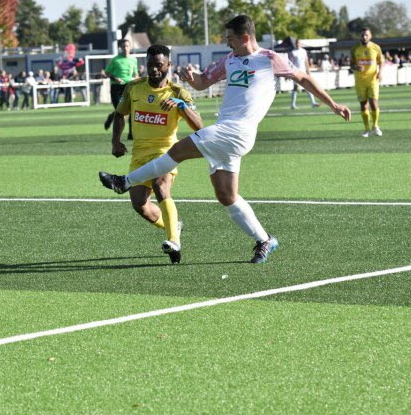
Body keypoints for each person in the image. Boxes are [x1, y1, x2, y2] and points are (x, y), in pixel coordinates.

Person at [99, 15, 351, 263]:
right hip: (226, 130)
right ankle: (265, 239)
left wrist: (333, 105)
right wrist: (191, 77)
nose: (227, 42)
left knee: (177, 151)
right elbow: (202, 82)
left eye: (230, 38)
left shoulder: (269, 59)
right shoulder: (229, 60)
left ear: (245, 37)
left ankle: (125, 181)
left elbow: (303, 78)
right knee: (226, 195)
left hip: (239, 130)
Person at [108, 44, 203, 264]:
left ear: (169, 64)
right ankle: (174, 226)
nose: (153, 69)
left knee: (161, 185)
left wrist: (182, 106)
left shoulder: (178, 93)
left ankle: (174, 241)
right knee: (140, 205)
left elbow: (199, 126)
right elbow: (120, 114)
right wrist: (115, 141)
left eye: (159, 65)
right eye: (150, 64)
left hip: (166, 151)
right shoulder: (134, 87)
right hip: (139, 153)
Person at [103, 38, 141, 138]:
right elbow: (107, 72)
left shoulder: (133, 60)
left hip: (128, 87)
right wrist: (115, 78)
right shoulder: (115, 60)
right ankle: (112, 117)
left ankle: (131, 134)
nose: (125, 48)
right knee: (120, 111)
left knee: (132, 109)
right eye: (123, 46)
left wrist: (136, 79)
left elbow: (135, 74)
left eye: (127, 46)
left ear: (130, 47)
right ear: (120, 47)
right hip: (116, 87)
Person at [351, 28, 384, 138]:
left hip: (373, 80)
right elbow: (351, 64)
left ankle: (375, 125)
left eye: (366, 35)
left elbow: (381, 62)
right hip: (360, 81)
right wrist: (356, 67)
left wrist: (380, 72)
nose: (364, 37)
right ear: (360, 36)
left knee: (374, 103)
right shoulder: (355, 48)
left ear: (370, 36)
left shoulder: (376, 47)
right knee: (363, 105)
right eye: (362, 35)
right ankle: (366, 129)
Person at [287, 39, 318, 109]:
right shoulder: (292, 52)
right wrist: (289, 73)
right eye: (297, 43)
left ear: (301, 44)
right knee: (295, 87)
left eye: (299, 43)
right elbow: (289, 63)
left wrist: (308, 71)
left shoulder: (304, 51)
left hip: (303, 71)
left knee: (308, 86)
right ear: (295, 44)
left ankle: (313, 102)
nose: (298, 44)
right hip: (295, 72)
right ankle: (292, 104)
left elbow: (306, 61)